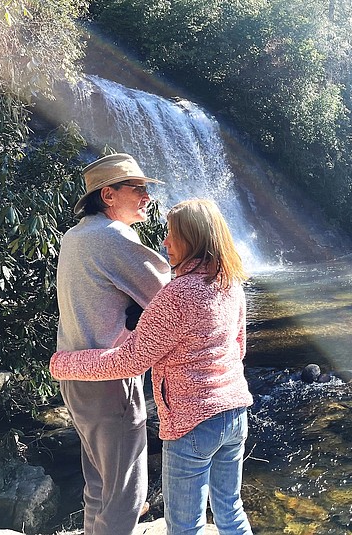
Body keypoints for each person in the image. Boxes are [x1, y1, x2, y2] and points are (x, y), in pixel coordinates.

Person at [51, 198, 254, 535]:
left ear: (193, 239)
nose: (165, 243)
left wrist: (65, 363)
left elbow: (131, 360)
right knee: (230, 512)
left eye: (172, 235)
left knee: (185, 526)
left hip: (192, 423)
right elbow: (239, 347)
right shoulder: (231, 283)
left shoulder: (176, 295)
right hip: (235, 413)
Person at [56, 153, 171, 535]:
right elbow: (171, 295)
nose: (146, 197)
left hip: (75, 375)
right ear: (108, 194)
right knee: (126, 496)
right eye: (137, 189)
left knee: (99, 485)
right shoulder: (114, 236)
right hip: (110, 377)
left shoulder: (74, 236)